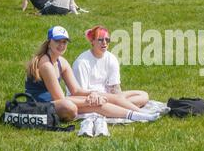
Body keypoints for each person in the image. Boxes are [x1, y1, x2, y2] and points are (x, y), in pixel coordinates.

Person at [25, 26, 159, 122]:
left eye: (64, 42)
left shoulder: (62, 62)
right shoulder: (46, 64)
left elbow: (76, 90)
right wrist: (91, 99)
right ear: (49, 42)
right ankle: (137, 115)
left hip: (62, 101)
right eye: (57, 41)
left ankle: (142, 114)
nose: (61, 45)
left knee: (109, 99)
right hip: (44, 104)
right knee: (90, 105)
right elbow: (60, 98)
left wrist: (93, 94)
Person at [71, 26, 157, 117]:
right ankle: (141, 113)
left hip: (107, 96)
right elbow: (79, 93)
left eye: (107, 40)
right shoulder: (82, 63)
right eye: (100, 40)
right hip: (89, 98)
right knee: (117, 100)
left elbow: (115, 88)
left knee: (143, 95)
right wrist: (115, 99)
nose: (104, 43)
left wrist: (119, 99)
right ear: (92, 41)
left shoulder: (111, 58)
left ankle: (113, 107)